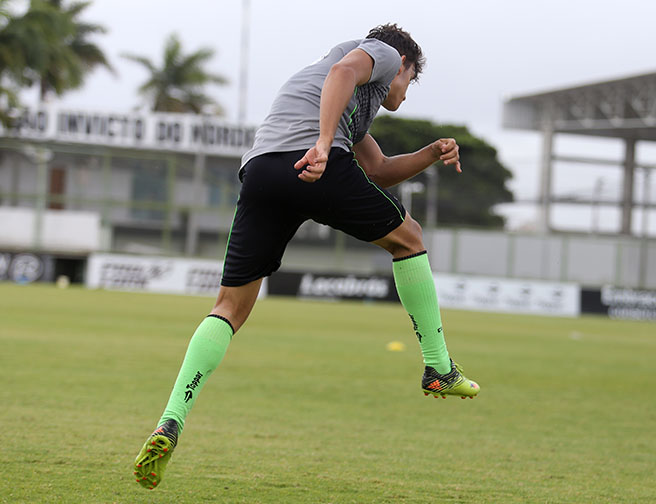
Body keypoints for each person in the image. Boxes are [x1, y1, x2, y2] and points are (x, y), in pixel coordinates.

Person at [133, 23, 479, 490]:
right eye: (409, 80)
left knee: (229, 307)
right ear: (404, 64)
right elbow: (343, 72)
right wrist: (321, 144)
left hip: (260, 171)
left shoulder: (342, 103)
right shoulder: (379, 54)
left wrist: (428, 153)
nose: (404, 90)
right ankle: (438, 366)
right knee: (410, 238)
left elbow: (377, 169)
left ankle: (170, 420)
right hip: (309, 160)